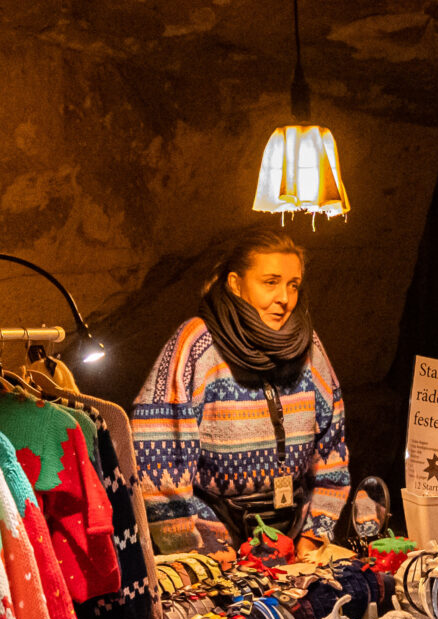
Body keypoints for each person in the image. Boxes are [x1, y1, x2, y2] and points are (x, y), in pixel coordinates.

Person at [134, 227, 352, 556]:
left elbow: (332, 448)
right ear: (235, 284)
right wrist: (198, 547)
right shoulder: (198, 344)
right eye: (271, 282)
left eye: (293, 285)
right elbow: (158, 455)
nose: (284, 298)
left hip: (292, 536)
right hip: (215, 536)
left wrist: (315, 533)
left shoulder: (307, 346)